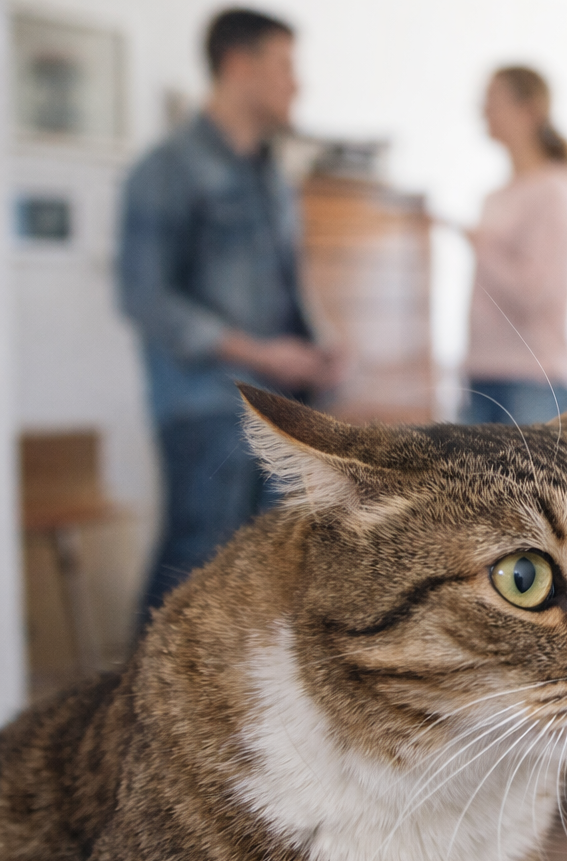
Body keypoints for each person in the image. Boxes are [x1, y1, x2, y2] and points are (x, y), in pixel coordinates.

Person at [118, 7, 334, 619]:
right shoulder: (166, 169)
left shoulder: (272, 174)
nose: (298, 83)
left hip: (280, 413)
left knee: (267, 583)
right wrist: (263, 354)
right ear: (239, 66)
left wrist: (321, 344)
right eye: (286, 66)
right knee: (190, 568)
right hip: (203, 407)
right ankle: (134, 713)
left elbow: (288, 283)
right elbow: (145, 297)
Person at [461, 66, 567, 426]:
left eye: (493, 102)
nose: (483, 112)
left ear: (530, 111)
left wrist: (480, 245)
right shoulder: (494, 196)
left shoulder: (553, 191)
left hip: (532, 378)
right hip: (481, 372)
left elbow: (534, 292)